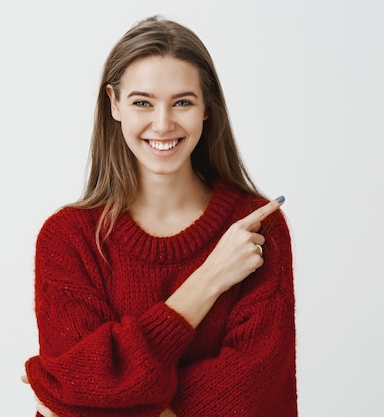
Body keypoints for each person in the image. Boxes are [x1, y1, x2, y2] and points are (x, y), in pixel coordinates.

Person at [21, 15, 297, 417]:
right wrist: (210, 278)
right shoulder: (68, 238)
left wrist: (93, 400)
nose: (163, 123)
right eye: (142, 102)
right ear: (114, 104)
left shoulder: (256, 227)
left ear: (206, 108)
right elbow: (80, 386)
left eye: (183, 101)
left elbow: (251, 397)